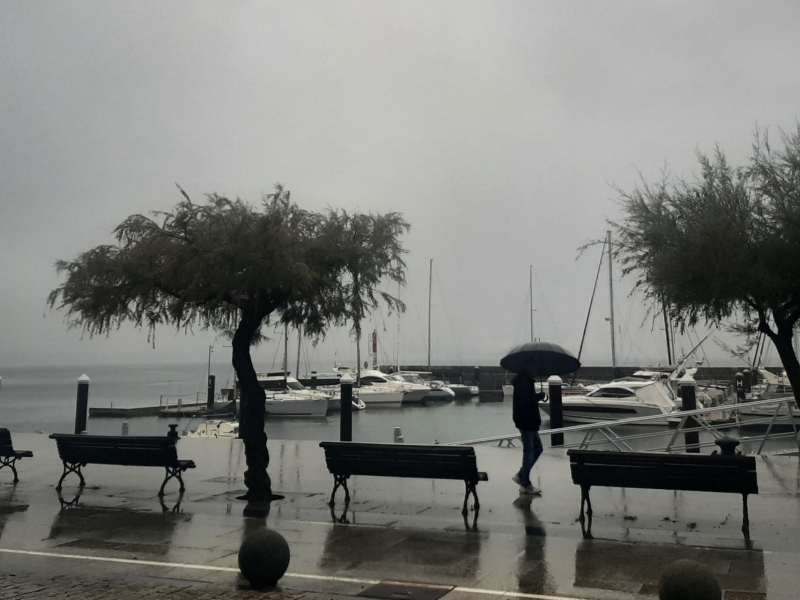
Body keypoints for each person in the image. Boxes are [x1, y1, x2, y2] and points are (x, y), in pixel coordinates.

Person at [511, 369, 546, 494]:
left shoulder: (525, 382)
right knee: (530, 451)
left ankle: (521, 475)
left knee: (537, 449)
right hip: (527, 421)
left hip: (529, 421)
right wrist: (538, 397)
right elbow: (526, 402)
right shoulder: (523, 382)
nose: (536, 370)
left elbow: (527, 400)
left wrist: (537, 396)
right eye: (534, 367)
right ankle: (525, 483)